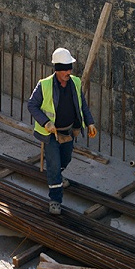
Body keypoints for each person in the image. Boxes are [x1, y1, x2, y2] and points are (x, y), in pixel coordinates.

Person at [27, 47, 97, 215]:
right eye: (65, 68)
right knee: (54, 164)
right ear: (57, 69)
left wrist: (90, 123)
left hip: (68, 132)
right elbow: (31, 105)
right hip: (51, 135)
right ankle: (55, 200)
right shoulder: (44, 85)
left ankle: (56, 176)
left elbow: (82, 105)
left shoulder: (76, 82)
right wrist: (45, 122)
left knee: (65, 159)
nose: (69, 71)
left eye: (70, 68)